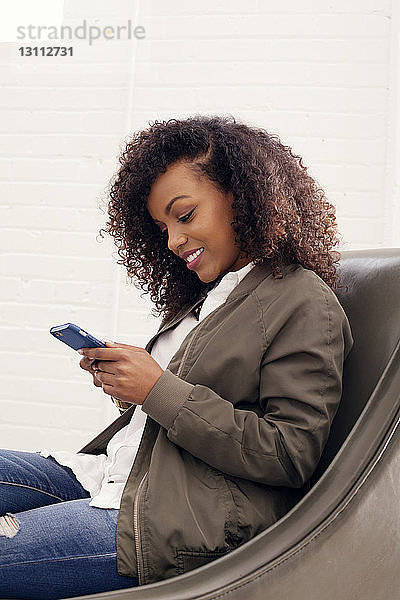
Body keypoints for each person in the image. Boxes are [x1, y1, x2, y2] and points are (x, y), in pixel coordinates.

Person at [0, 115, 353, 599]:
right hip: (119, 475)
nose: (172, 240)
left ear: (244, 196)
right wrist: (129, 385)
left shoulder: (304, 301)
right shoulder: (207, 297)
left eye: (184, 215)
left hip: (180, 516)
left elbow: (288, 454)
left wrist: (155, 388)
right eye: (163, 227)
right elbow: (180, 403)